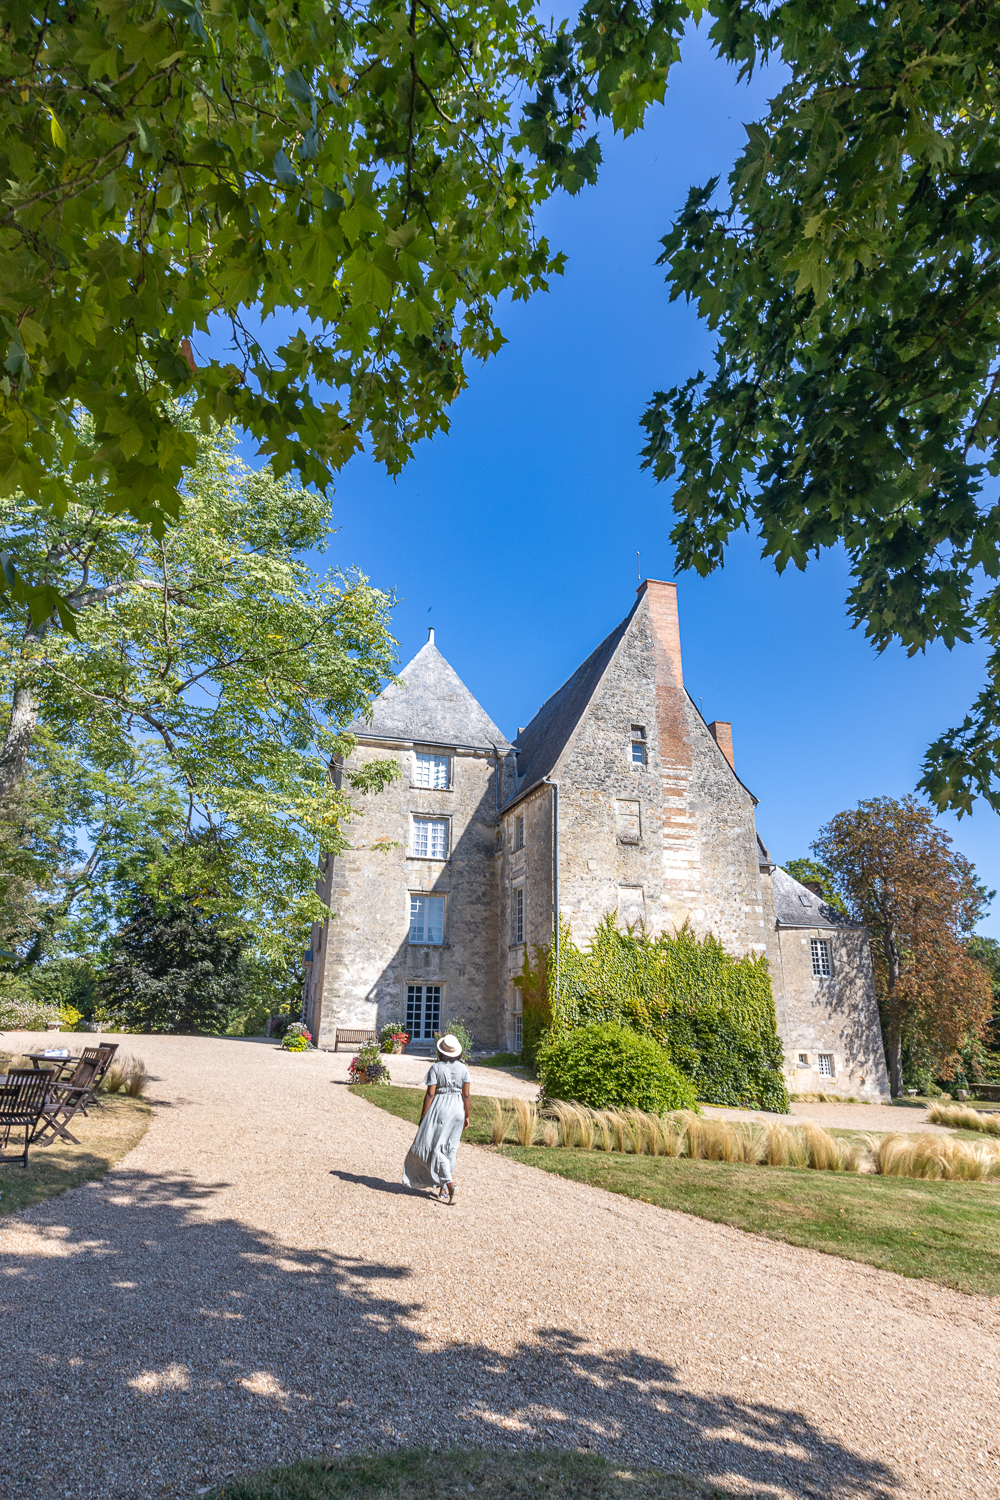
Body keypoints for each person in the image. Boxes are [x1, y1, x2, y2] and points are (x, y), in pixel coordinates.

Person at [402, 1033, 470, 1202]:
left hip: (441, 1108)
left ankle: (449, 1184)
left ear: (441, 1051)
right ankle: (443, 1190)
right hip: (458, 1109)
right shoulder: (464, 1069)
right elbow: (466, 1096)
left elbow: (430, 1094)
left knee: (436, 1147)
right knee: (451, 1149)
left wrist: (424, 1115)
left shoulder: (436, 1068)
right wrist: (467, 1116)